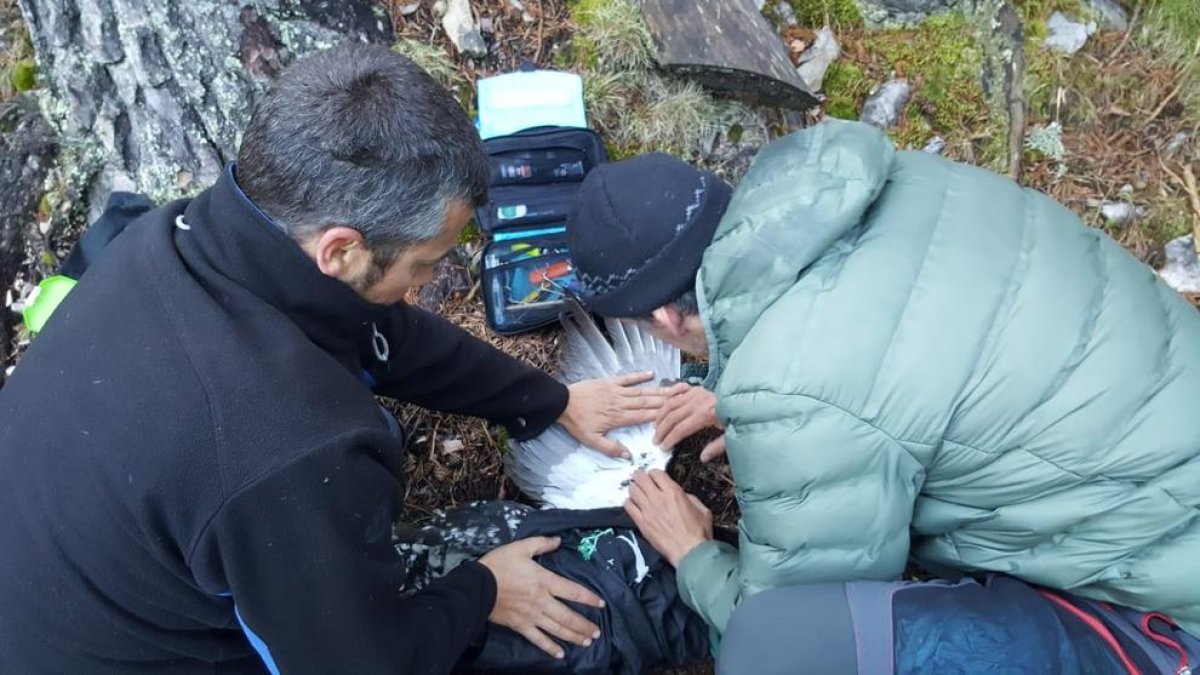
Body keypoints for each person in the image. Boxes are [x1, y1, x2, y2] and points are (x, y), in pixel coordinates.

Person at [0, 43, 669, 674]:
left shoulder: (172, 241)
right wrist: (482, 587)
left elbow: (383, 331)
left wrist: (547, 402)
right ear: (340, 250)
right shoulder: (287, 448)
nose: (423, 285)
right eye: (424, 265)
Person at [566, 120, 1200, 673]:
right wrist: (742, 390)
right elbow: (911, 348)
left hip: (1170, 607)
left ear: (667, 320)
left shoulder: (798, 391)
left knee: (777, 651)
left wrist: (694, 551)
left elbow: (782, 610)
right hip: (1164, 435)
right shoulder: (890, 184)